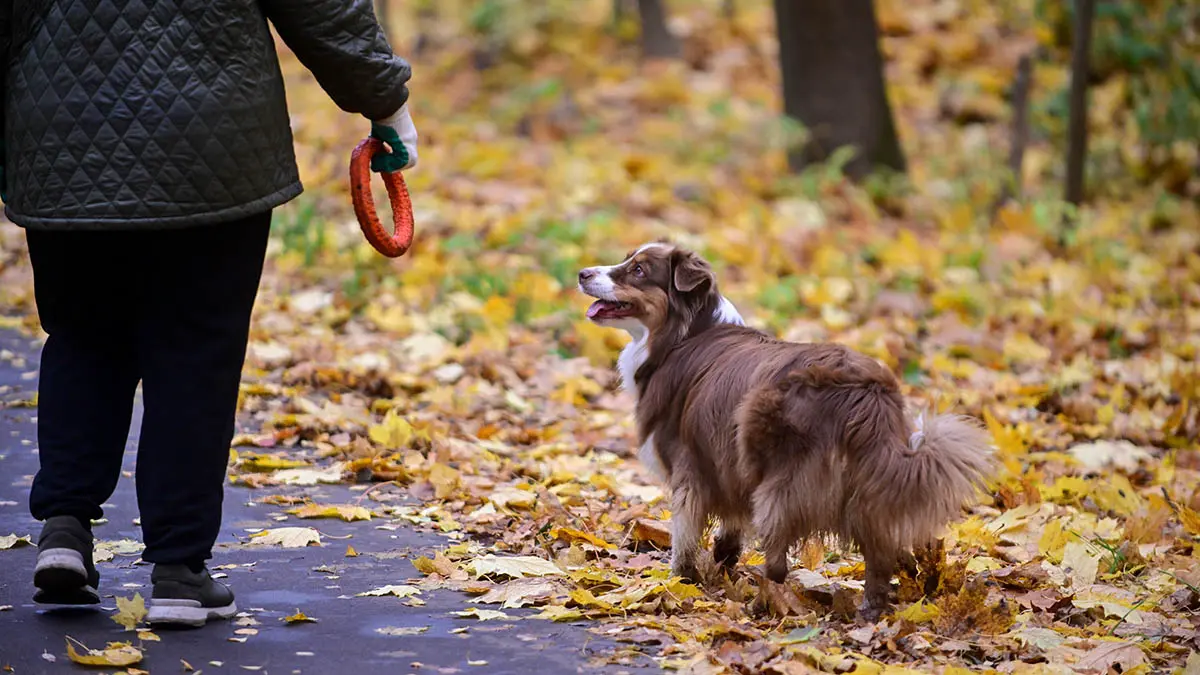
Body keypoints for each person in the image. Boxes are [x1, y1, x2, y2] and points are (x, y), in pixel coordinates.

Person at [0, 0, 418, 627]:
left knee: (83, 335)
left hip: (62, 135)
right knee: (196, 349)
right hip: (209, 139)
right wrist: (385, 104)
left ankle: (64, 527)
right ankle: (179, 570)